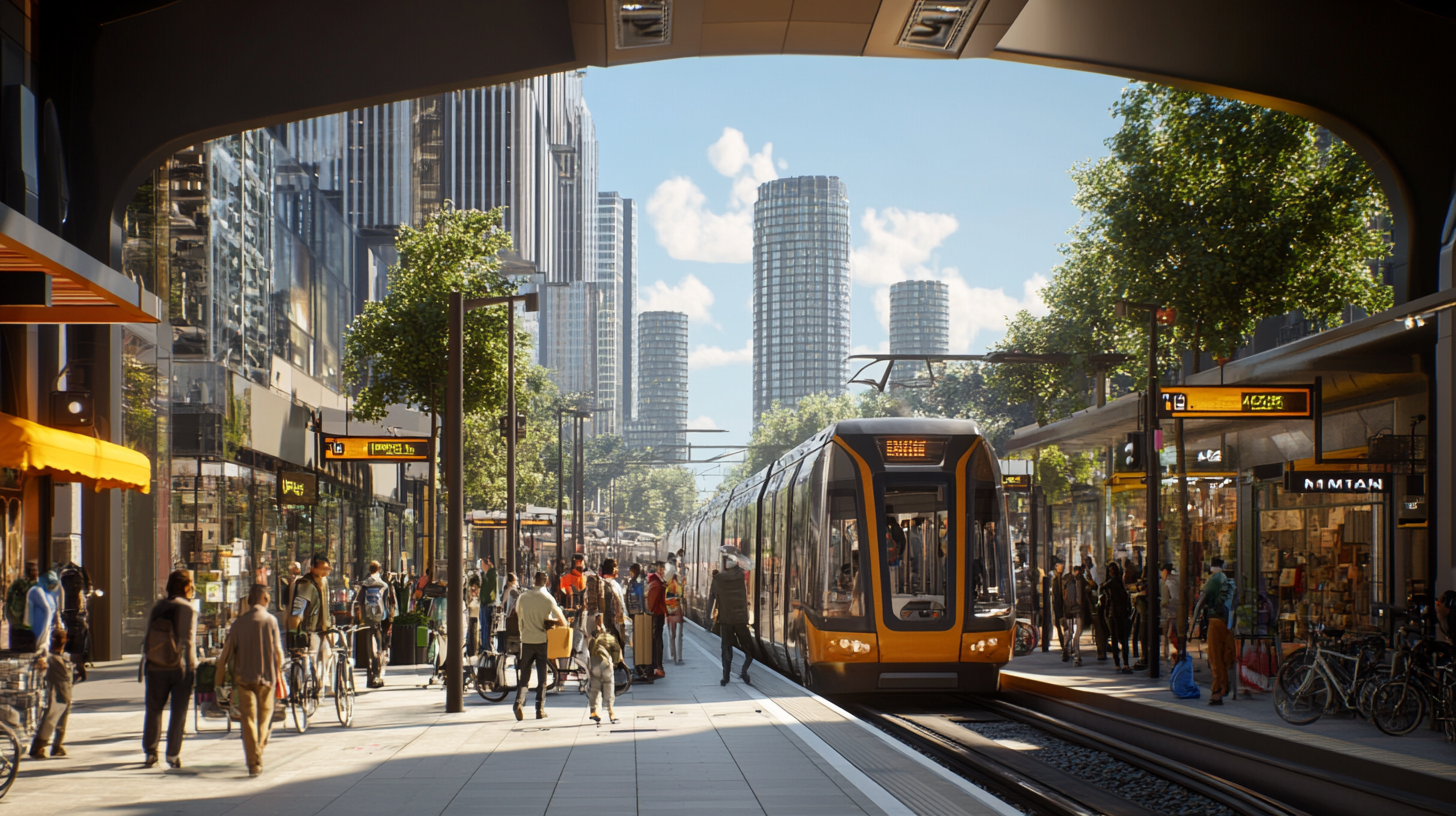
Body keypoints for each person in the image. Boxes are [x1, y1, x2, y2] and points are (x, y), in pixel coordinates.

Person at [215, 584, 284, 776]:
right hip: (267, 679)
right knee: (264, 719)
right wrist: (280, 671)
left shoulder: (238, 624)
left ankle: (253, 763)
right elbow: (278, 652)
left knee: (248, 721)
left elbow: (225, 654)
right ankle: (258, 752)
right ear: (265, 599)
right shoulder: (271, 621)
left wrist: (218, 682)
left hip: (243, 679)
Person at [140, 569, 198, 769]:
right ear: (185, 587)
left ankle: (150, 751)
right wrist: (192, 667)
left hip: (155, 665)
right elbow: (188, 640)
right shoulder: (187, 608)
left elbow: (149, 635)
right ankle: (172, 754)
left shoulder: (158, 606)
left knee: (154, 709)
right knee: (178, 711)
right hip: (179, 667)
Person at [513, 571, 566, 721]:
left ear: (534, 580)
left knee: (524, 676)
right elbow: (563, 621)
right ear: (546, 581)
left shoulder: (523, 597)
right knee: (542, 677)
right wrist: (551, 622)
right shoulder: (548, 598)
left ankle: (518, 702)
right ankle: (539, 709)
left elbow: (518, 614)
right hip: (542, 640)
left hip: (527, 640)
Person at [289, 554, 333, 694]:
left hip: (323, 628)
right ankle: (312, 685)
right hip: (311, 629)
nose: (325, 571)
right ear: (313, 568)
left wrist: (329, 625)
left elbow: (325, 605)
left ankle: (321, 683)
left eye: (327, 569)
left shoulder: (324, 581)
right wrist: (293, 629)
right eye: (322, 568)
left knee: (327, 655)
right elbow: (298, 607)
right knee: (312, 658)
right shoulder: (305, 584)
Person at [708, 550, 754, 686]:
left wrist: (708, 617)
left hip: (726, 620)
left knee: (726, 649)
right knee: (749, 651)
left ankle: (725, 677)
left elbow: (711, 599)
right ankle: (744, 671)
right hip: (740, 620)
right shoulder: (741, 577)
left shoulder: (718, 579)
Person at [1195, 557, 1235, 705]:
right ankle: (1224, 687)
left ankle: (1216, 693)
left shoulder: (1213, 580)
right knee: (1225, 657)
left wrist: (1192, 625)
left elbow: (1201, 602)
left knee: (1215, 657)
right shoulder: (1227, 580)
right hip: (1229, 623)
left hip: (1215, 621)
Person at [29, 628, 72, 760]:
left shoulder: (60, 657)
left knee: (58, 720)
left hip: (63, 692)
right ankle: (38, 748)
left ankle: (56, 746)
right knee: (51, 720)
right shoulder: (51, 658)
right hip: (56, 693)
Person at [358, 561, 397, 688]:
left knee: (370, 649)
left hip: (367, 620)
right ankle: (377, 676)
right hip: (381, 620)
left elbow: (359, 602)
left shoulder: (364, 585)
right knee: (379, 649)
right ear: (379, 569)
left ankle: (370, 677)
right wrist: (390, 620)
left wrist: (360, 618)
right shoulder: (384, 585)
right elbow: (392, 602)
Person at [586, 613, 621, 725]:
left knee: (595, 689)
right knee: (609, 687)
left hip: (595, 664)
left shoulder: (593, 640)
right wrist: (615, 663)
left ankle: (594, 711)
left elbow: (590, 652)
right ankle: (611, 712)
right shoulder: (610, 638)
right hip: (606, 665)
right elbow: (616, 651)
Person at [1101, 563, 1133, 673]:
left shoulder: (1111, 583)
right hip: (1121, 614)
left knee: (1115, 639)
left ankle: (1117, 663)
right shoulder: (1119, 582)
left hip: (1113, 614)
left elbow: (1102, 587)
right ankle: (1125, 663)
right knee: (1123, 639)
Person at [5, 561, 38, 651]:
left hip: (16, 624)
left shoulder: (16, 584)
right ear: (31, 572)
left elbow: (8, 602)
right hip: (28, 626)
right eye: (35, 570)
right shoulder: (35, 586)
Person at [26, 571, 61, 651]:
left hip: (47, 624)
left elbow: (53, 609)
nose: (51, 588)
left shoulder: (49, 594)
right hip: (41, 621)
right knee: (41, 643)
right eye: (50, 585)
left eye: (53, 586)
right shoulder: (37, 591)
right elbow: (47, 609)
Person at [646, 562, 667, 678]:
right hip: (657, 614)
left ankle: (657, 666)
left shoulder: (656, 583)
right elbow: (652, 603)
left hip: (656, 614)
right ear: (660, 569)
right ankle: (658, 666)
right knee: (657, 640)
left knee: (656, 640)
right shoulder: (657, 584)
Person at [1061, 563, 1085, 667]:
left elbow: (1064, 596)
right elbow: (1080, 599)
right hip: (1077, 610)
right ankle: (1077, 656)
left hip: (1067, 609)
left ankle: (1066, 650)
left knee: (1069, 632)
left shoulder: (1067, 581)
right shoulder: (1079, 581)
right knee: (1077, 634)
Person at [1160, 564, 1182, 659]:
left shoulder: (1168, 583)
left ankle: (1166, 653)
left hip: (1169, 612)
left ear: (1165, 571)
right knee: (1175, 634)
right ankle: (1178, 651)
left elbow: (1167, 600)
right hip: (1177, 611)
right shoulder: (1176, 581)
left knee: (1168, 634)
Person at [665, 567, 685, 665]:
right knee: (679, 635)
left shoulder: (667, 587)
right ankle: (679, 657)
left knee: (672, 635)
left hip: (669, 613)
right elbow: (681, 600)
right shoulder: (678, 586)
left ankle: (673, 654)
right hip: (678, 612)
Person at [1050, 560, 1068, 659]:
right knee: (1058, 625)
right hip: (1058, 605)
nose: (1060, 567)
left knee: (1065, 626)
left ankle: (1065, 645)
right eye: (1058, 566)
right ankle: (1063, 644)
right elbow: (1055, 594)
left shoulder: (1064, 579)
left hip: (1063, 605)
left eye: (1061, 566)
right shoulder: (1055, 579)